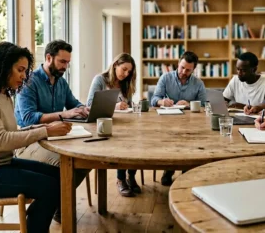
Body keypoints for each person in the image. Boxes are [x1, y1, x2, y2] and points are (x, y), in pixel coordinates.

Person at [0, 42, 72, 232]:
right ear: (3, 65)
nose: (24, 76)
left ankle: (34, 222)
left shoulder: (3, 94)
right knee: (50, 187)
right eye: (20, 70)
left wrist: (44, 126)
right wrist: (46, 131)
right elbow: (0, 141)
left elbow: (12, 132)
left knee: (60, 176)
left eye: (25, 71)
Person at [13, 40, 90, 222]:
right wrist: (63, 115)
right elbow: (28, 118)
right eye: (62, 62)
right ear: (49, 58)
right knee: (70, 162)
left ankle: (57, 205)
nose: (65, 67)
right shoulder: (29, 81)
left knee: (86, 159)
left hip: (54, 138)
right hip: (28, 142)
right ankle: (52, 206)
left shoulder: (61, 82)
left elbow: (74, 104)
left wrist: (84, 109)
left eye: (67, 63)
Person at [86, 53, 140, 197]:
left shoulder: (126, 83)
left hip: (123, 123)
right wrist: (115, 106)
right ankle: (121, 179)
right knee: (125, 142)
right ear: (115, 65)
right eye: (124, 69)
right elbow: (89, 105)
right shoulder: (100, 80)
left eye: (129, 71)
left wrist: (127, 106)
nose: (126, 74)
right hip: (104, 124)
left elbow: (127, 105)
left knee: (136, 140)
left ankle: (131, 176)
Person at [151, 51, 206, 186]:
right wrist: (161, 102)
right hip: (167, 122)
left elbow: (205, 105)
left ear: (194, 69)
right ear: (178, 64)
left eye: (188, 70)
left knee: (190, 142)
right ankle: (168, 171)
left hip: (191, 123)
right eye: (182, 67)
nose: (183, 71)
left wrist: (189, 104)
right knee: (170, 142)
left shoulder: (198, 83)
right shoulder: (165, 78)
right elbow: (154, 99)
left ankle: (186, 172)